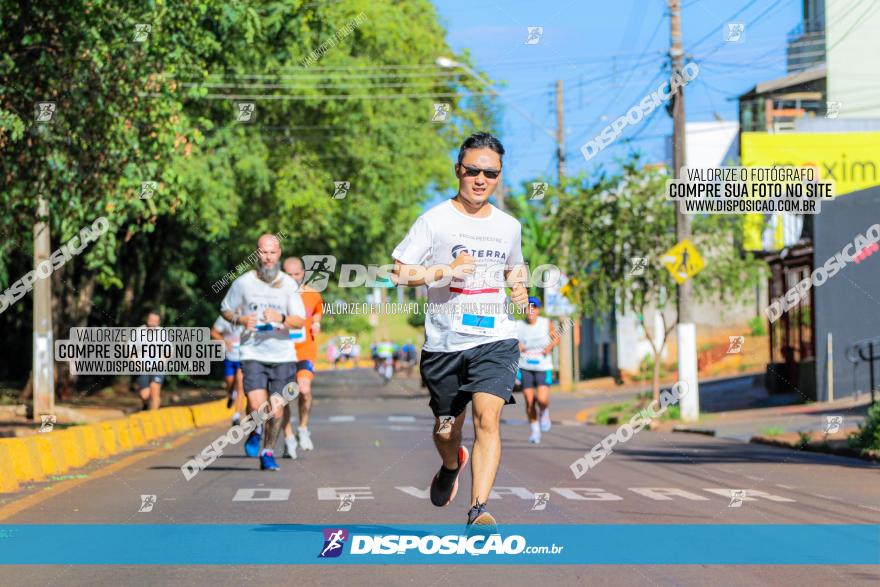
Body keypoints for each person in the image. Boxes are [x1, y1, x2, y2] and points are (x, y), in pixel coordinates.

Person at [391, 132, 528, 531]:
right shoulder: (434, 220)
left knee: (488, 417)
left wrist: (519, 286)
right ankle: (451, 464)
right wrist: (445, 271)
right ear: (458, 171)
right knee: (446, 428)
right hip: (444, 343)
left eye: (491, 172)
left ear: (499, 176)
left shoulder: (509, 226)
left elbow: (514, 267)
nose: (481, 179)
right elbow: (398, 271)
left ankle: (478, 509)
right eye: (473, 170)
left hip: (495, 340)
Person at [220, 234, 305, 471]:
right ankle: (256, 428)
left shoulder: (289, 284)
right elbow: (225, 309)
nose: (268, 257)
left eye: (272, 252)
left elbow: (300, 321)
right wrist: (241, 318)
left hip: (282, 356)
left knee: (276, 409)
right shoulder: (244, 282)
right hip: (252, 353)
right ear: (257, 253)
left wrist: (282, 318)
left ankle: (267, 452)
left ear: (279, 254)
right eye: (263, 252)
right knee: (260, 408)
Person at [280, 256, 323, 458]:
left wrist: (316, 322)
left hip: (305, 350)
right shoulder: (275, 294)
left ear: (303, 274)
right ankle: (288, 438)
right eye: (289, 275)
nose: (293, 278)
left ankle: (303, 429)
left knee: (304, 391)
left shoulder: (312, 294)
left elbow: (317, 311)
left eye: (297, 274)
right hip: (281, 351)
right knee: (284, 398)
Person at [516, 297, 559, 444]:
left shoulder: (546, 323)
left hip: (543, 366)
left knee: (541, 399)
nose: (531, 311)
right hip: (525, 367)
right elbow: (512, 342)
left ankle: (545, 412)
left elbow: (556, 338)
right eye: (528, 308)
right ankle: (535, 432)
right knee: (529, 401)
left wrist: (550, 347)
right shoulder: (518, 325)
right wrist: (518, 346)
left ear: (538, 310)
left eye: (534, 308)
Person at [210, 315, 246, 426]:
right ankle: (231, 395)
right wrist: (224, 341)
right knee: (230, 383)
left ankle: (236, 415)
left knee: (240, 383)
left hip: (243, 357)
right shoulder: (225, 317)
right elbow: (213, 332)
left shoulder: (248, 315)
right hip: (229, 357)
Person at [135, 311, 165, 411]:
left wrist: (163, 360)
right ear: (147, 320)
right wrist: (136, 362)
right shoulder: (139, 332)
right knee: (144, 395)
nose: (152, 323)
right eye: (151, 320)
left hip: (157, 367)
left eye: (155, 321)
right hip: (142, 367)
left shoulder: (162, 332)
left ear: (158, 322)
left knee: (155, 392)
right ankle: (145, 405)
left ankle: (153, 417)